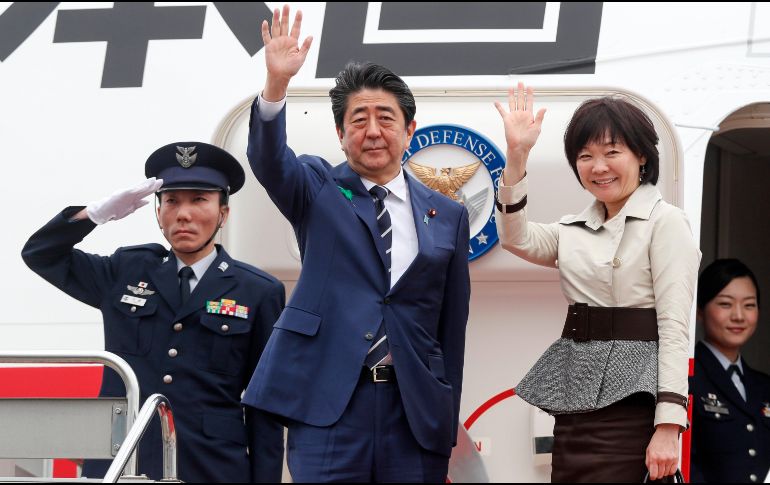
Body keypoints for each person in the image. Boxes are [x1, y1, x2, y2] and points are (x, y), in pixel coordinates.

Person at [241, 5, 471, 483]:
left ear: (410, 130)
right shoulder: (318, 187)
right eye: (358, 119)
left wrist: (443, 419)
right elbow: (268, 160)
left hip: (413, 413)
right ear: (341, 134)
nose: (372, 130)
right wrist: (276, 85)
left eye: (385, 118)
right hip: (330, 404)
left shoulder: (446, 214)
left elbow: (451, 327)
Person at [22, 142, 285, 482]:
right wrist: (93, 216)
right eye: (172, 201)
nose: (183, 214)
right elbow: (40, 254)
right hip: (125, 463)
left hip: (211, 467)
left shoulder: (257, 291)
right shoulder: (125, 271)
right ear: (157, 210)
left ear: (224, 212)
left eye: (199, 200)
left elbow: (265, 405)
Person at [494, 84, 701, 482]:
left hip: (634, 406)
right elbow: (514, 237)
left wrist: (669, 426)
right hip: (577, 402)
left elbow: (675, 328)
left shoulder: (666, 222)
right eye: (585, 156)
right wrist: (518, 155)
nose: (598, 167)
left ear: (641, 155)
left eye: (611, 152)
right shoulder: (573, 229)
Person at [689, 258, 770, 483]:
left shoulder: (765, 387)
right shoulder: (687, 378)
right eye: (725, 304)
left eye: (749, 305)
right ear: (699, 311)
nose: (739, 316)